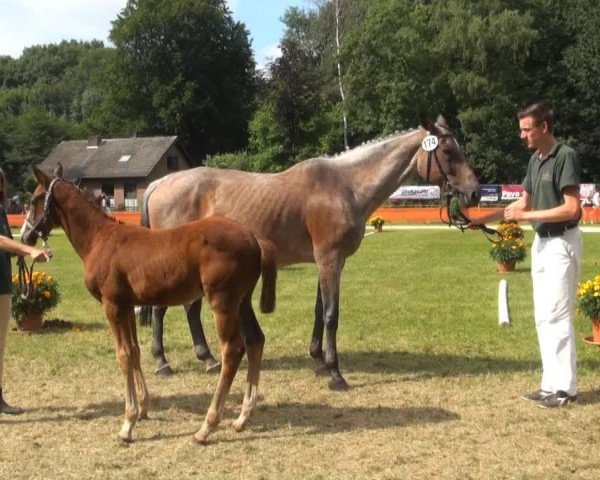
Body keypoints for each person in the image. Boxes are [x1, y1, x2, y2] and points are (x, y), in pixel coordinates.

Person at [470, 102, 582, 408]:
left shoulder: (565, 156)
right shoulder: (536, 160)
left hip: (562, 243)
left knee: (558, 317)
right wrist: (479, 219)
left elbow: (573, 208)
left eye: (526, 129)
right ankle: (550, 384)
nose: (522, 135)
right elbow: (523, 204)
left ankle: (566, 389)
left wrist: (528, 216)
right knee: (543, 317)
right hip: (542, 243)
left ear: (544, 127)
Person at [0, 167, 51, 414]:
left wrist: (31, 252)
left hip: (2, 284)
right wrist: (29, 251)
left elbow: (7, 244)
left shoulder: (1, 210)